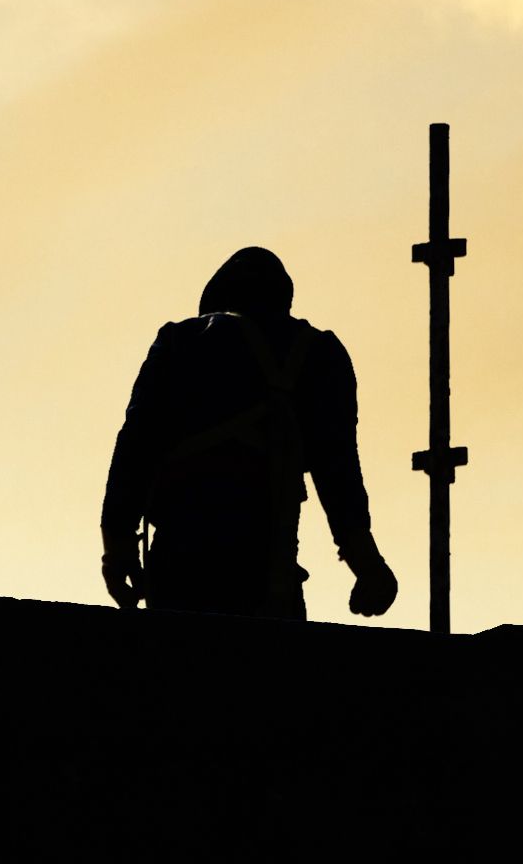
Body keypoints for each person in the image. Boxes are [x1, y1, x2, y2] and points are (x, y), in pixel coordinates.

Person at [101, 246, 399, 620]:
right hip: (268, 571)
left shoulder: (180, 341)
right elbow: (338, 472)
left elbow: (135, 446)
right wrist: (367, 565)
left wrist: (118, 548)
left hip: (182, 566)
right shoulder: (317, 353)